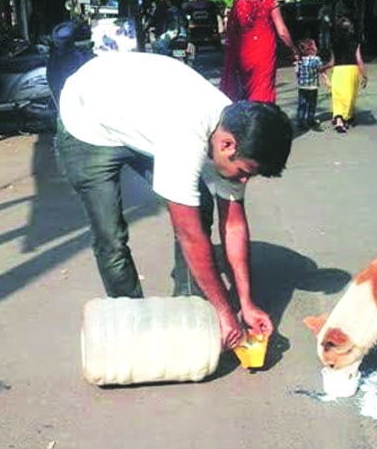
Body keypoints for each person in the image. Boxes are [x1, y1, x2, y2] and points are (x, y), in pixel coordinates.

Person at [55, 52, 294, 350]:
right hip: (87, 124)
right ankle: (133, 322)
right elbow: (189, 234)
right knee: (110, 236)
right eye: (245, 172)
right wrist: (225, 310)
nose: (244, 181)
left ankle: (191, 306)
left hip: (136, 110)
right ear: (226, 144)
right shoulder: (186, 133)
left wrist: (245, 303)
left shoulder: (235, 127)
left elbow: (233, 225)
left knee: (201, 204)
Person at [220, 0, 299, 103]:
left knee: (245, 91)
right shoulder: (270, 2)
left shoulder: (239, 2)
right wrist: (294, 49)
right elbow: (282, 32)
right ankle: (262, 118)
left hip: (243, 54)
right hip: (264, 54)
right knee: (263, 90)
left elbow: (231, 30)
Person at [324, 17, 367, 134]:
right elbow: (359, 60)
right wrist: (364, 75)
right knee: (349, 96)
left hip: (338, 70)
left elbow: (332, 62)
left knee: (338, 97)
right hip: (351, 70)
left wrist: (323, 69)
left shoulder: (334, 43)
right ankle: (346, 117)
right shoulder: (355, 42)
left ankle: (339, 119)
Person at [295, 38, 325, 130]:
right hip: (313, 86)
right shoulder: (316, 59)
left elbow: (297, 73)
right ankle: (310, 120)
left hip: (302, 86)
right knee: (312, 104)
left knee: (302, 104)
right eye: (315, 45)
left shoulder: (300, 60)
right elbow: (320, 69)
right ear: (312, 48)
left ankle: (300, 121)